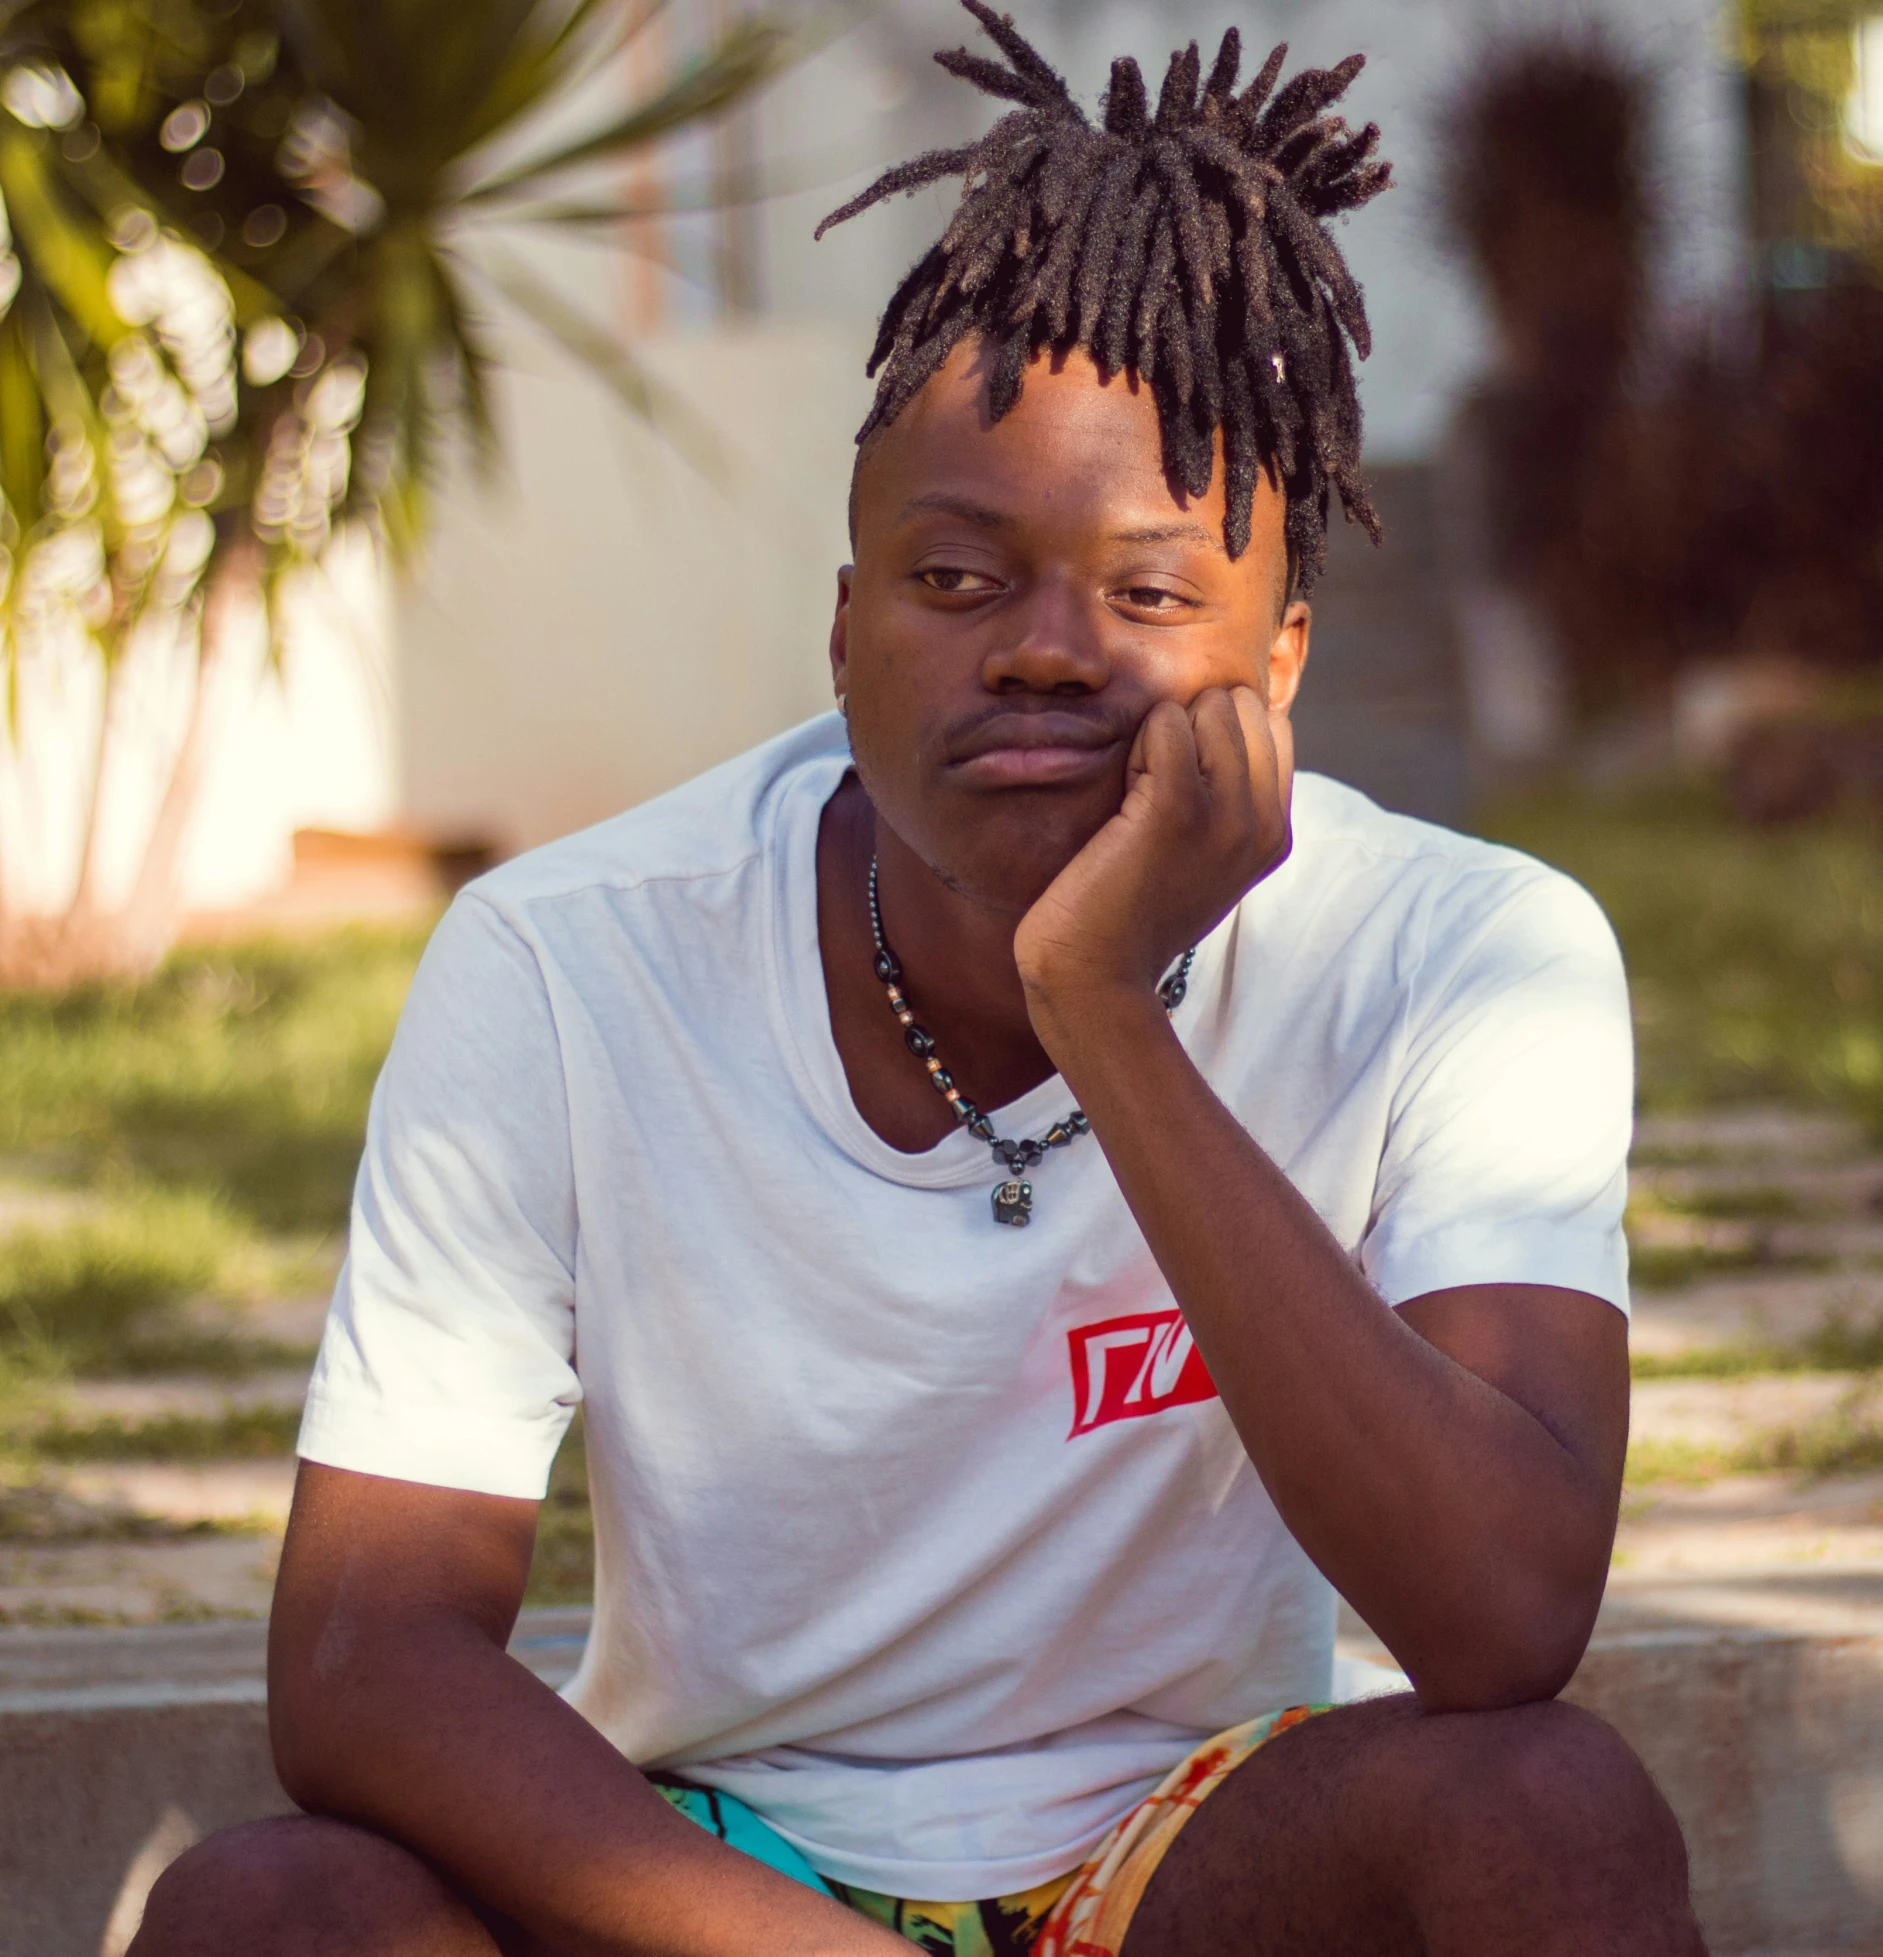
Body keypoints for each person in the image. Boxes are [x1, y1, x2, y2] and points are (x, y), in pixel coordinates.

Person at [135, 8, 1705, 1954]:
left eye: (1144, 592)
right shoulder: (567, 960)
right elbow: (365, 1655)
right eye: (954, 581)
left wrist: (1103, 1014)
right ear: (842, 625)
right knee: (266, 1911)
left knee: (1543, 1818)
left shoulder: (1462, 954)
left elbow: (1498, 1620)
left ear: (1278, 660)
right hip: (721, 1866)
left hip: (1185, 1844)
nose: (1045, 653)